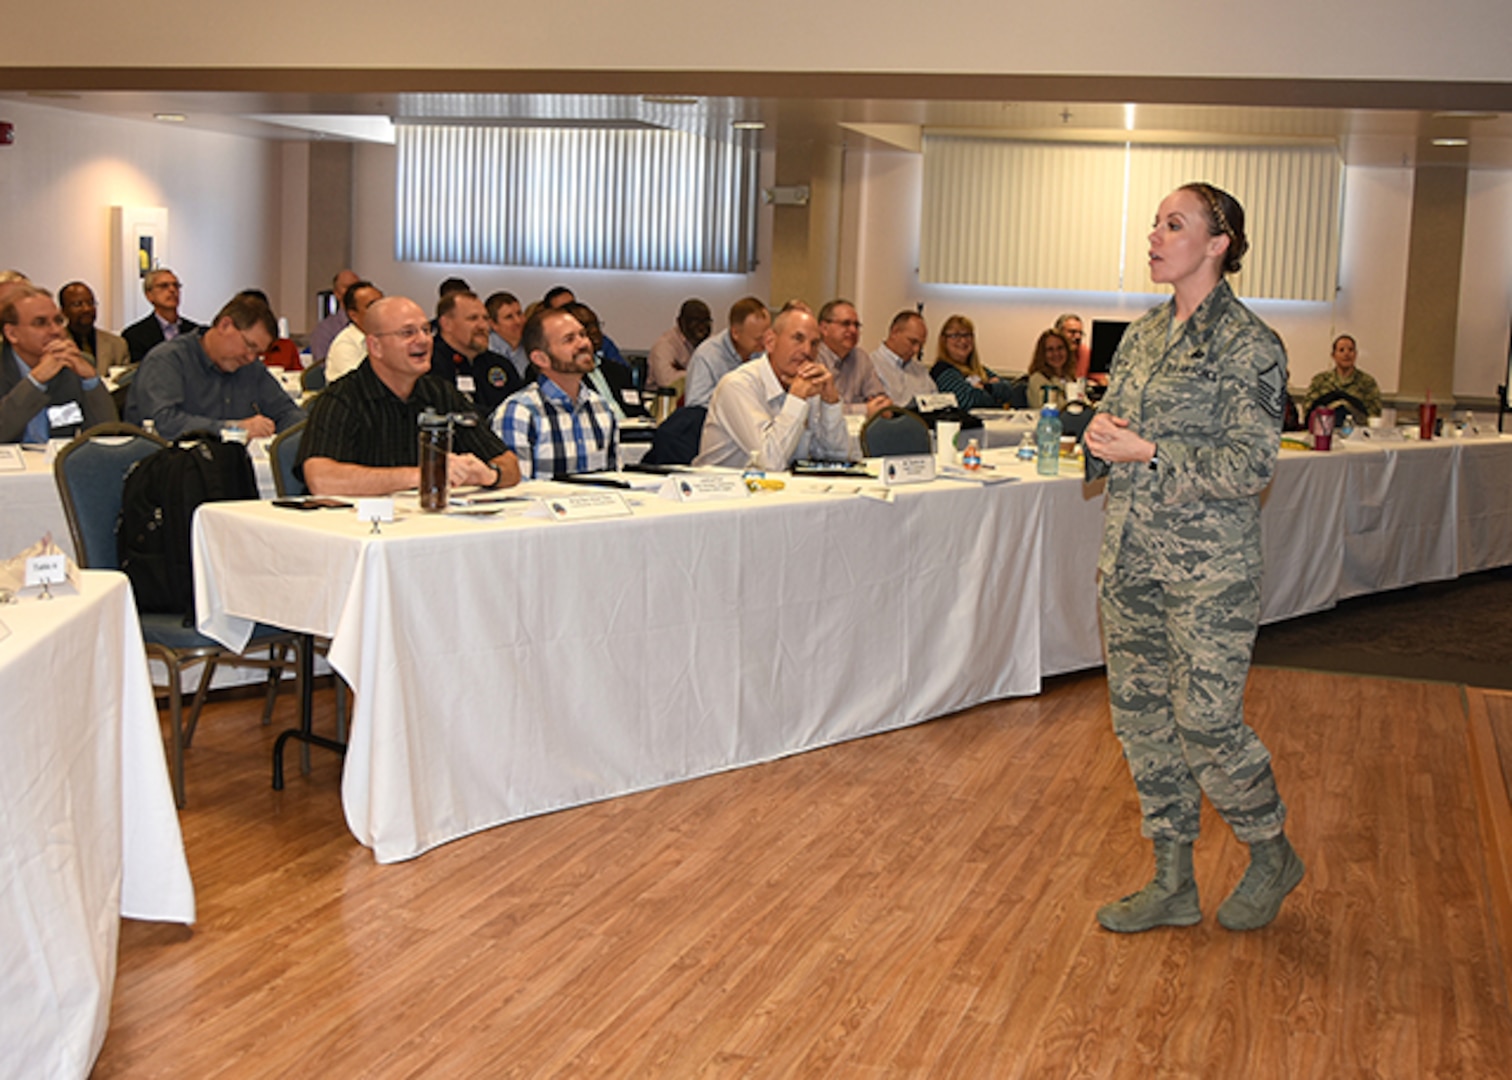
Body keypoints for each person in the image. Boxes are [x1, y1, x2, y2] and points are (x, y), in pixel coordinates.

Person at [1083, 181, 1300, 934]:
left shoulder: (1250, 345)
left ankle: (1270, 851)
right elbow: (1123, 436)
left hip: (1208, 570)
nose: (1153, 235)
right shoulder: (1140, 336)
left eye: (1173, 225)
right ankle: (1172, 880)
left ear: (1218, 244)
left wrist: (1148, 451)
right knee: (1143, 722)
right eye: (1153, 223)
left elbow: (1251, 464)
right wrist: (1101, 439)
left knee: (1206, 721)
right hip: (1133, 559)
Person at [297, 296, 520, 496]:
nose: (423, 340)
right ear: (375, 346)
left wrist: (490, 475)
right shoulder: (342, 398)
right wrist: (423, 475)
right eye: (408, 333)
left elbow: (510, 465)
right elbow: (321, 480)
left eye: (425, 330)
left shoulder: (441, 393)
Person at [124, 293, 304, 439]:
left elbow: (285, 412)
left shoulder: (250, 367)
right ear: (225, 325)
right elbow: (164, 422)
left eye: (258, 353)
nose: (251, 357)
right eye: (249, 345)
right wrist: (233, 429)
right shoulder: (168, 360)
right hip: (171, 471)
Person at [695, 306, 849, 470]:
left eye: (814, 343)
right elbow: (769, 463)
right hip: (723, 491)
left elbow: (836, 459)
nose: (807, 351)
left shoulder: (806, 384)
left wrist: (830, 403)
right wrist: (796, 399)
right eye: (798, 338)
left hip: (785, 491)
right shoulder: (738, 385)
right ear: (770, 342)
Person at [491, 308, 619, 479]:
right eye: (569, 339)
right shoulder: (518, 413)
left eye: (582, 334)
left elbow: (614, 480)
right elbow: (516, 492)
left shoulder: (601, 407)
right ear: (541, 359)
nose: (584, 343)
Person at [0, 285, 116, 443]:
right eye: (40, 323)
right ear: (12, 334)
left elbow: (109, 433)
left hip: (59, 463)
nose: (56, 330)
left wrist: (90, 381)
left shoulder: (74, 364)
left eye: (58, 321)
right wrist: (35, 381)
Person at [429, 289, 525, 419]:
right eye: (473, 318)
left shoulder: (499, 364)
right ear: (447, 324)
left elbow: (521, 408)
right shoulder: (429, 363)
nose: (483, 326)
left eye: (485, 318)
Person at [564, 302, 648, 419]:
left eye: (596, 325)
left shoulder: (618, 371)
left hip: (631, 433)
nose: (594, 331)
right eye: (586, 327)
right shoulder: (565, 375)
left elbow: (638, 410)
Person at [684, 296, 771, 408]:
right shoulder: (706, 356)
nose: (765, 342)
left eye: (768, 335)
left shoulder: (763, 353)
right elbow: (695, 406)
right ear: (735, 333)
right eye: (758, 339)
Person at [816, 299, 890, 415]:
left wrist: (881, 405)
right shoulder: (813, 358)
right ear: (824, 328)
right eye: (846, 324)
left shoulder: (861, 358)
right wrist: (865, 409)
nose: (853, 330)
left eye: (856, 325)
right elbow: (818, 412)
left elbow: (881, 403)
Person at [928, 315, 1016, 410]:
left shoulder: (979, 369)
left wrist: (985, 387)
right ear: (944, 341)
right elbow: (968, 402)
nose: (963, 340)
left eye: (967, 335)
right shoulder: (943, 371)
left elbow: (1009, 390)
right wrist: (994, 393)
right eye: (955, 336)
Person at [121, 268, 200, 364]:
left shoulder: (196, 332)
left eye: (176, 285)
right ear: (149, 295)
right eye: (164, 286)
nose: (172, 290)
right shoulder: (135, 335)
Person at [1301, 334, 1382, 421]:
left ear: (1355, 354)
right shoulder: (1320, 381)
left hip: (1357, 432)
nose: (1346, 354)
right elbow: (1308, 410)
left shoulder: (1367, 382)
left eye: (1350, 350)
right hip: (1325, 429)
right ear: (1333, 355)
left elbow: (1374, 414)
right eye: (1341, 350)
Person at [59, 281, 130, 375]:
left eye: (90, 303)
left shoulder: (117, 344)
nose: (86, 309)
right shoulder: (54, 345)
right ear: (63, 311)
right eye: (78, 304)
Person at [869, 311, 935, 408]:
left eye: (920, 345)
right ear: (894, 332)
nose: (916, 350)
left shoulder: (921, 370)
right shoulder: (871, 365)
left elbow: (937, 401)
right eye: (913, 342)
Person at [646, 298, 712, 393]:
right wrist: (703, 374)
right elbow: (667, 382)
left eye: (706, 321)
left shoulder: (712, 346)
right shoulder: (665, 345)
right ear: (680, 322)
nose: (702, 326)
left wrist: (683, 373)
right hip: (664, 403)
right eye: (696, 321)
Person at [325, 281, 383, 383]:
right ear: (354, 315)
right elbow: (358, 387)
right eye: (372, 306)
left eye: (382, 304)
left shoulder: (388, 338)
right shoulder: (345, 345)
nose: (381, 310)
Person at [308, 269, 360, 361]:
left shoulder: (371, 325)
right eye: (347, 287)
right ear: (337, 293)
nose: (353, 291)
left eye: (356, 287)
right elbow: (321, 366)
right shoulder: (325, 330)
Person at [485, 291, 529, 381]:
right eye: (509, 317)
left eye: (519, 313)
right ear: (493, 324)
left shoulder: (531, 346)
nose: (518, 321)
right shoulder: (486, 350)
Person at [1025, 328, 1074, 410]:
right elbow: (1051, 410)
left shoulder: (1068, 378)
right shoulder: (1037, 379)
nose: (1056, 353)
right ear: (1042, 354)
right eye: (1050, 349)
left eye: (1060, 348)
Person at [1055, 312, 1090, 378]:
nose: (1078, 337)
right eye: (1072, 332)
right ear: (1058, 333)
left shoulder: (1084, 353)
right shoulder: (1049, 352)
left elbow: (1103, 382)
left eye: (1080, 333)